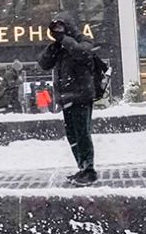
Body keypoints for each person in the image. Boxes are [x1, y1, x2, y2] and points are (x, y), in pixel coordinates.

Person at [38, 11, 106, 186]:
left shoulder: (83, 41)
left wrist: (64, 40)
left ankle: (89, 170)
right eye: (55, 29)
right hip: (66, 97)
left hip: (82, 96)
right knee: (72, 135)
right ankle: (82, 167)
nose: (57, 31)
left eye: (60, 27)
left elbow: (82, 53)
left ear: (68, 27)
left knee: (83, 133)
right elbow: (43, 63)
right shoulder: (60, 47)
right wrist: (54, 45)